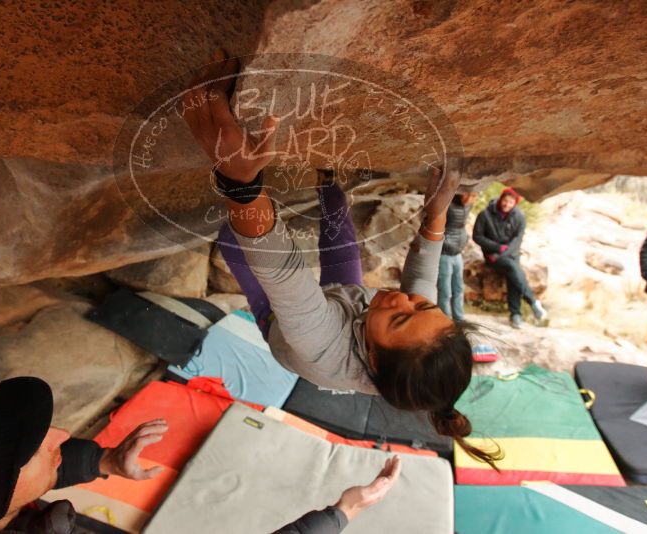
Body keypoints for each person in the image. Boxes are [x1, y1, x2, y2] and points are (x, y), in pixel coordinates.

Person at [183, 48, 500, 468]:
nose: (400, 298)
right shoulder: (408, 334)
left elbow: (284, 273)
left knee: (233, 238)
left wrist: (241, 185)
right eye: (422, 307)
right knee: (340, 229)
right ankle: (327, 180)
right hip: (349, 305)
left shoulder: (324, 348)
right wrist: (439, 212)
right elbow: (421, 280)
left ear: (370, 357)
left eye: (400, 317)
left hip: (284, 328)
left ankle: (201, 118)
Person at [0, 378, 399, 533]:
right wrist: (343, 511)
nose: (62, 432)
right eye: (36, 446)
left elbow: (23, 478)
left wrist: (105, 463)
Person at [472, 187, 546, 329]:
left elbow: (518, 240)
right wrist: (496, 248)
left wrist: (503, 253)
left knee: (513, 274)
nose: (506, 205)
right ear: (501, 199)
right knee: (513, 268)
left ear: (515, 204)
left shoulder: (519, 216)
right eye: (505, 201)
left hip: (511, 254)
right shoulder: (485, 214)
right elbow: (477, 236)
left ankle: (516, 315)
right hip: (492, 255)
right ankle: (531, 304)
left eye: (510, 203)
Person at [438, 193, 477, 321]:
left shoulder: (468, 206)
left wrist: (465, 239)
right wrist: (444, 241)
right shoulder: (448, 204)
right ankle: (445, 317)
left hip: (458, 252)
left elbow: (462, 225)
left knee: (459, 287)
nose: (469, 199)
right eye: (468, 195)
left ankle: (459, 317)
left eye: (473, 196)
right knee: (445, 288)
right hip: (445, 252)